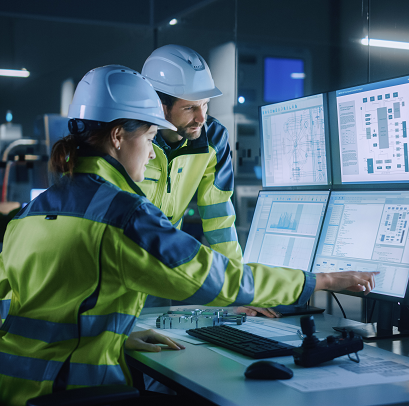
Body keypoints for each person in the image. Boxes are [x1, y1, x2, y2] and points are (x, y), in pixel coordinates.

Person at [0, 64, 378, 406]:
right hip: (76, 392)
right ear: (118, 136)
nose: (151, 155)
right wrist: (320, 280)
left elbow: (28, 311)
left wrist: (113, 336)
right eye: (149, 139)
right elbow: (214, 277)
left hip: (17, 391)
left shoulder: (30, 214)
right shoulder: (121, 215)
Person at [140, 44, 277, 317]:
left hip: (159, 270)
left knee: (150, 343)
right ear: (158, 105)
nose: (201, 117)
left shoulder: (213, 138)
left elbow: (219, 220)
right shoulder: (132, 138)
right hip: (116, 266)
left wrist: (237, 291)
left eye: (205, 104)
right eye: (190, 107)